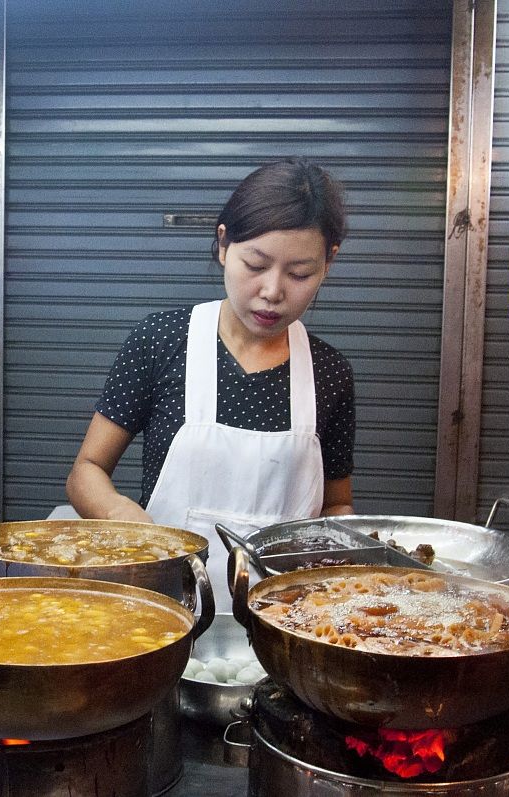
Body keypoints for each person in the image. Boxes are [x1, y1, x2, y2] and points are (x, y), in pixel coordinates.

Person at [65, 157, 355, 605]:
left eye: (300, 273)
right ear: (223, 243)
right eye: (255, 264)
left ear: (329, 263)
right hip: (163, 608)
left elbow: (337, 505)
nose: (273, 291)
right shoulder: (160, 342)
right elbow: (86, 472)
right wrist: (124, 517)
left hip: (289, 623)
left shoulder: (329, 372)